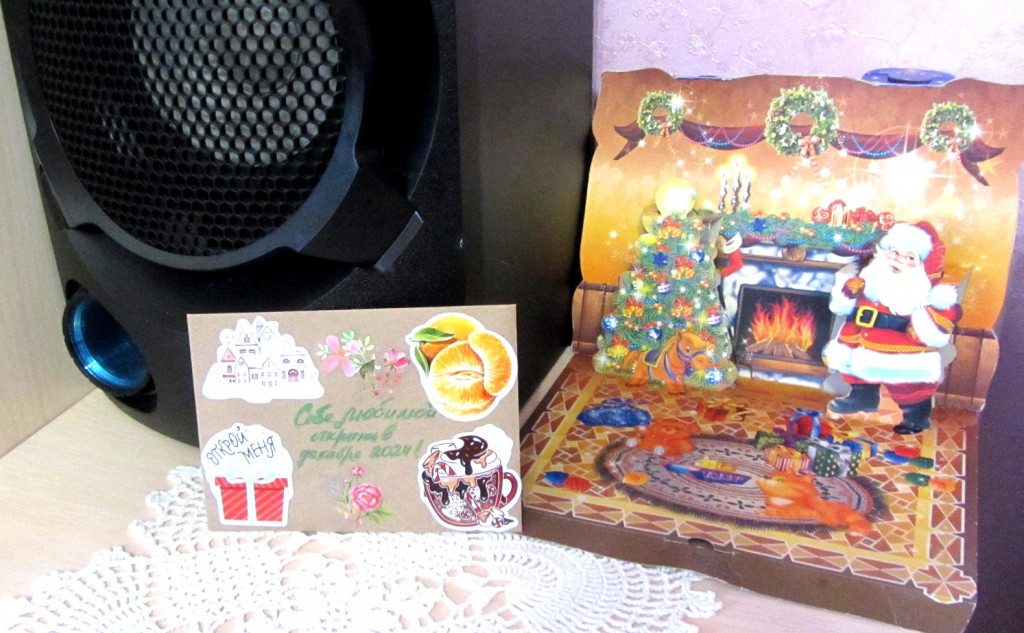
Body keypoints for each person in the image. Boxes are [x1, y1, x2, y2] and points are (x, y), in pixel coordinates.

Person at [822, 221, 962, 434]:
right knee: (854, 368)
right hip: (860, 336)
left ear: (923, 266)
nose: (899, 260)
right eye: (894, 252)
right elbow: (841, 306)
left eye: (910, 257)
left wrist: (926, 323)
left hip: (900, 346)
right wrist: (848, 293)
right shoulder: (872, 277)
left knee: (907, 385)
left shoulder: (921, 292)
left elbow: (939, 326)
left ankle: (916, 416)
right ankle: (862, 396)